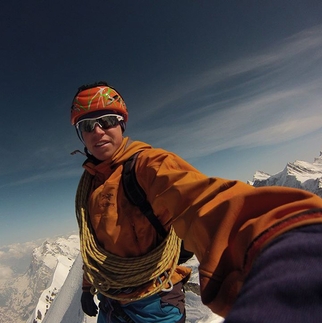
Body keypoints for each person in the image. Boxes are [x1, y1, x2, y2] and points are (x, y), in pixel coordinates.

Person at [70, 81, 322, 323]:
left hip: (154, 305)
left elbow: (205, 201)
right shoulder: (89, 185)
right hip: (110, 303)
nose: (98, 130)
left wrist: (288, 242)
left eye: (107, 120)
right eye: (87, 125)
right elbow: (94, 247)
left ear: (121, 124)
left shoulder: (149, 165)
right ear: (81, 136)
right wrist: (87, 286)